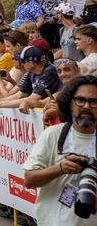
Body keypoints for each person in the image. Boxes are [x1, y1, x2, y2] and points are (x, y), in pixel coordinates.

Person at [24, 74, 97, 225]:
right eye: (80, 100)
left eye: (94, 101)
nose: (86, 106)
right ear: (70, 103)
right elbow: (29, 180)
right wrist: (61, 168)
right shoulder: (53, 135)